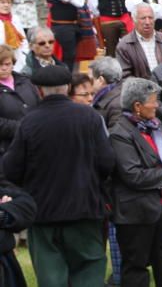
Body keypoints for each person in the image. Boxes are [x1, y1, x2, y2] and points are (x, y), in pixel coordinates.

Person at [3, 65, 115, 286]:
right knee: (89, 271)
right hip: (84, 209)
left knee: (51, 276)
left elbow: (11, 169)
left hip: (43, 213)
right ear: (67, 89)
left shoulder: (29, 122)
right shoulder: (89, 117)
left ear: (40, 91)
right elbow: (107, 163)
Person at [110, 77, 162, 287]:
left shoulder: (155, 125)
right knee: (136, 266)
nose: (157, 105)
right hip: (136, 213)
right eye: (154, 101)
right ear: (137, 106)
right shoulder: (120, 133)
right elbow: (132, 175)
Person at [43, 0, 85, 68]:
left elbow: (80, 1)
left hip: (73, 24)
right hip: (61, 26)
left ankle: (69, 78)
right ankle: (65, 78)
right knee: (67, 55)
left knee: (72, 55)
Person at [0, 44, 39, 159]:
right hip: (6, 150)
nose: (4, 68)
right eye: (0, 64)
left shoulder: (25, 81)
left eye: (7, 64)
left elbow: (39, 105)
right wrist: (23, 128)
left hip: (34, 145)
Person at [117, 4, 162, 80]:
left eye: (150, 18)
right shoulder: (124, 45)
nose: (147, 22)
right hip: (141, 90)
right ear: (134, 20)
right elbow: (125, 76)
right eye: (143, 18)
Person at [91, 56, 125, 130]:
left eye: (91, 79)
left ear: (100, 80)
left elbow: (115, 137)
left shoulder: (116, 105)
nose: (88, 83)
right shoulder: (117, 93)